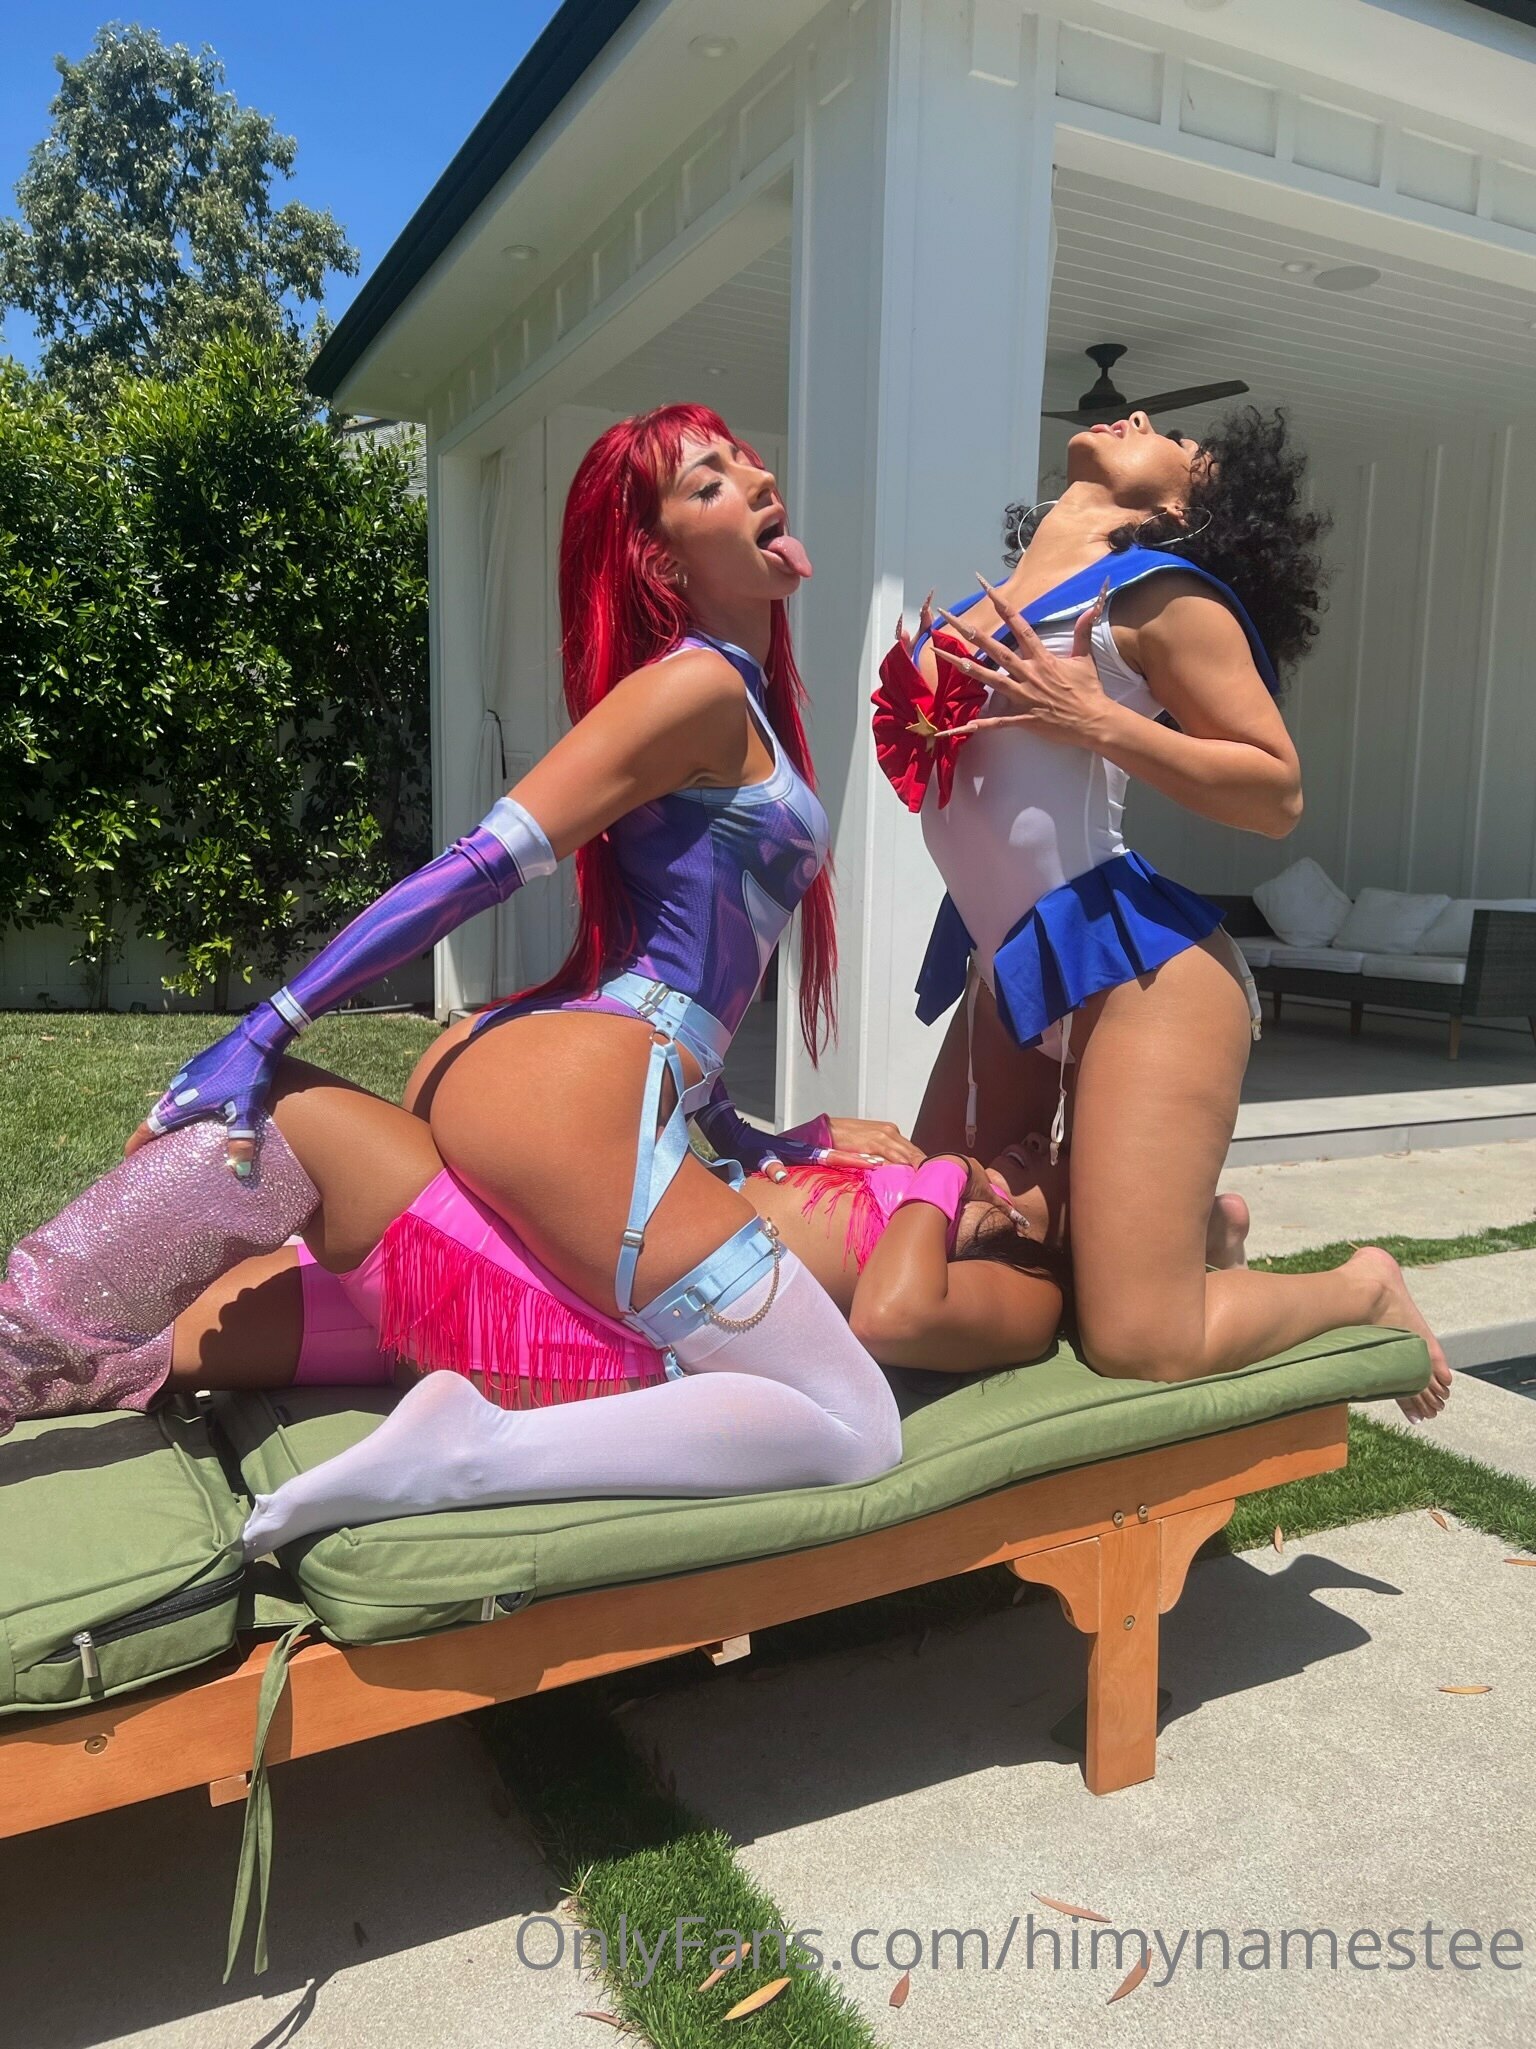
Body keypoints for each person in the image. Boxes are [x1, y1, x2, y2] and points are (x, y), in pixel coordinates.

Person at [0, 405, 922, 1545]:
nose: (758, 478)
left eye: (744, 461)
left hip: (570, 1074)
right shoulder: (694, 689)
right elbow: (481, 864)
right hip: (576, 1091)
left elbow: (695, 960)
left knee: (572, 1337)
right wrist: (266, 1022)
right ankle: (467, 1450)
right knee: (854, 1423)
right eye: (710, 481)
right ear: (660, 561)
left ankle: (32, 1349)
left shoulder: (736, 698)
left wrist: (758, 1136)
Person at [875, 405, 1447, 1423]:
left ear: (1181, 509)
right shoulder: (970, 613)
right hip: (1012, 970)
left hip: (1143, 976)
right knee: (932, 1239)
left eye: (1177, 441)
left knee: (1143, 1342)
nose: (1140, 414)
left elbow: (1277, 793)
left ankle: (1361, 1286)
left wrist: (1096, 720)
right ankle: (1193, 1239)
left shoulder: (1157, 599)